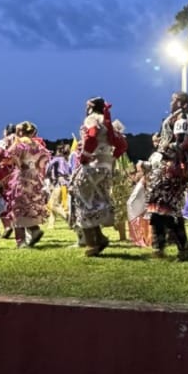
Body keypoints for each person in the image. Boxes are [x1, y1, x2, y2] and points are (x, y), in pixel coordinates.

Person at [71, 97, 128, 257]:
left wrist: (85, 155)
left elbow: (91, 136)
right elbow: (122, 144)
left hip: (92, 166)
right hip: (106, 167)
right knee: (97, 200)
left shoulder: (92, 119)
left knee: (83, 201)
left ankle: (92, 244)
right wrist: (113, 157)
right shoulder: (107, 122)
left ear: (90, 107)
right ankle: (100, 238)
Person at [146, 92, 188, 260]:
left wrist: (166, 147)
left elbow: (185, 143)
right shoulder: (174, 117)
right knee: (157, 207)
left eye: (174, 99)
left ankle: (183, 248)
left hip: (173, 167)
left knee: (167, 209)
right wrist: (160, 142)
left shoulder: (183, 117)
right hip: (164, 167)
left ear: (183, 103)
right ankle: (158, 247)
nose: (171, 102)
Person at [3, 121, 49, 248]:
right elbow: (44, 159)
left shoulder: (20, 142)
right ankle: (34, 229)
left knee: (17, 207)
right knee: (30, 206)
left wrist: (18, 163)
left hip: (22, 177)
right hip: (34, 177)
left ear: (21, 131)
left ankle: (21, 241)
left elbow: (9, 154)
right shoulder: (38, 145)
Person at [0, 124, 17, 238]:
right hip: (16, 175)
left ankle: (6, 226)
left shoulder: (2, 142)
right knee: (14, 200)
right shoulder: (19, 141)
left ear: (6, 131)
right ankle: (21, 227)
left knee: (0, 201)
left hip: (2, 175)